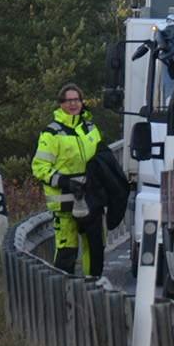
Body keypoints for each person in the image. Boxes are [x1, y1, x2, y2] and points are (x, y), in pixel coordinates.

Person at [32, 83, 106, 276]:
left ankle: (92, 287)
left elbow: (101, 158)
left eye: (77, 100)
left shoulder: (90, 128)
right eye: (69, 100)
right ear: (61, 104)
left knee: (96, 247)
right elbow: (39, 168)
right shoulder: (52, 133)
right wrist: (65, 182)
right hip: (65, 204)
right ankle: (64, 294)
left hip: (90, 198)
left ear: (82, 102)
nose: (73, 104)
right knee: (68, 250)